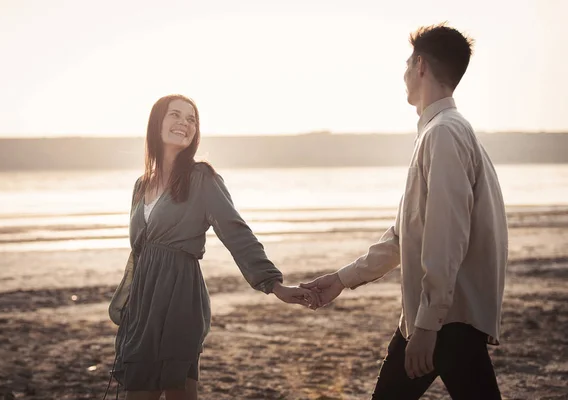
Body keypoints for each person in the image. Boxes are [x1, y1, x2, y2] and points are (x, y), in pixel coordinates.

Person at [301, 24, 507, 399]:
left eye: (407, 64)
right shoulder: (442, 132)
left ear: (421, 66)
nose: (403, 74)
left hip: (446, 319)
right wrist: (341, 280)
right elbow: (404, 236)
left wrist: (428, 324)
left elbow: (447, 237)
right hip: (441, 316)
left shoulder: (444, 134)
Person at [107, 94, 318, 400]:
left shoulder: (201, 177)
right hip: (143, 303)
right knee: (138, 392)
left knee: (180, 391)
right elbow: (139, 253)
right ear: (156, 123)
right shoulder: (141, 185)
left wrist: (273, 284)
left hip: (180, 294)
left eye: (191, 119)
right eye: (175, 115)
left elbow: (235, 231)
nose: (184, 124)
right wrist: (130, 304)